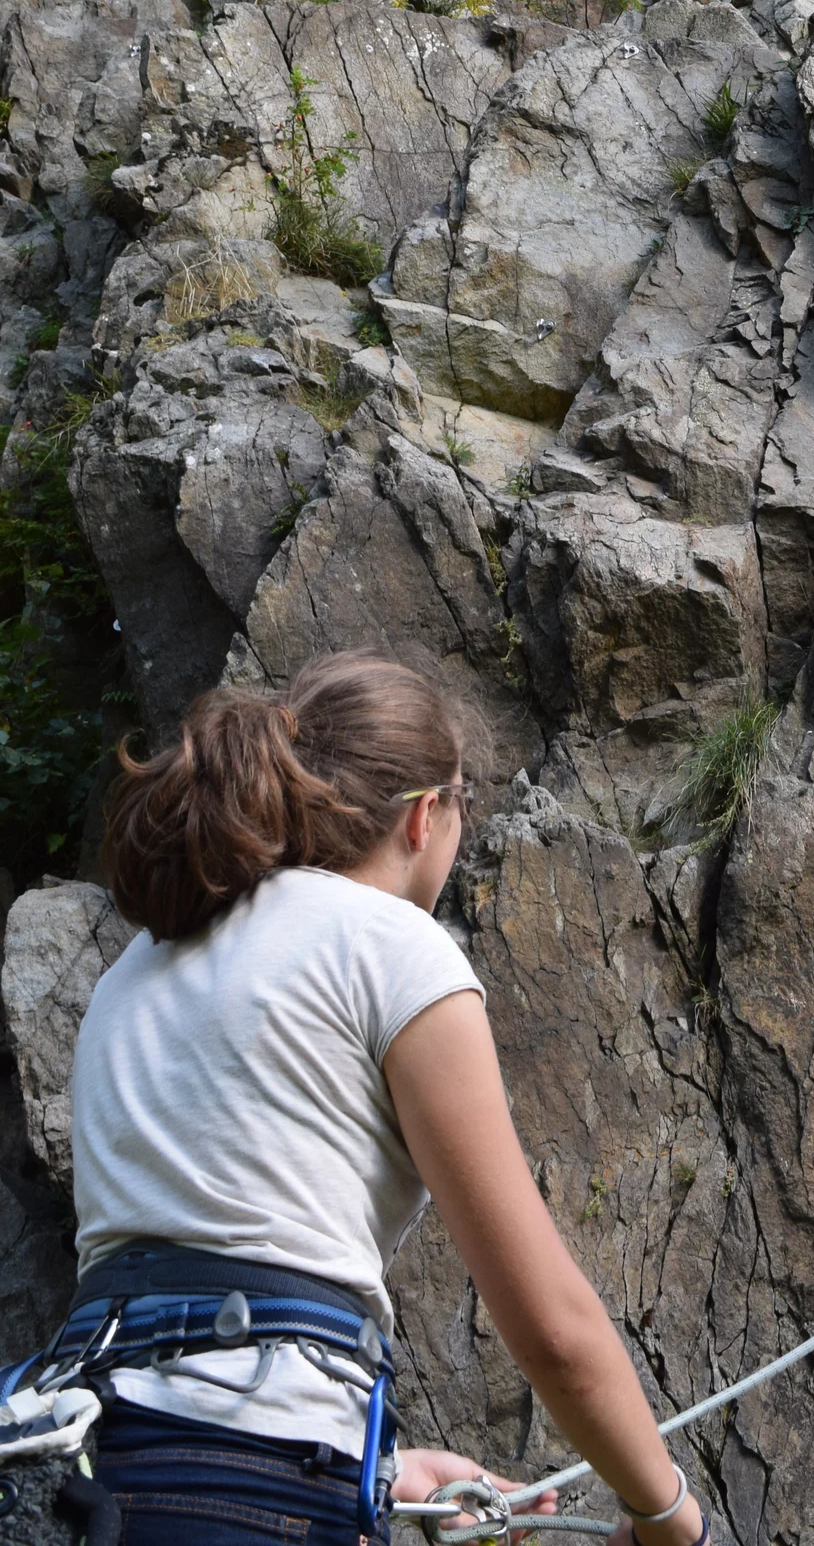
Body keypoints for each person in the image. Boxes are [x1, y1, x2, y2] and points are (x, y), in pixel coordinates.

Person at [9, 653, 710, 1546]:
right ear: (426, 816)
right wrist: (663, 1511)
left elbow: (188, 1302)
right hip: (256, 1489)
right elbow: (554, 1333)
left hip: (81, 1472)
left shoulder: (131, 973)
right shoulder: (393, 950)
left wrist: (375, 1468)